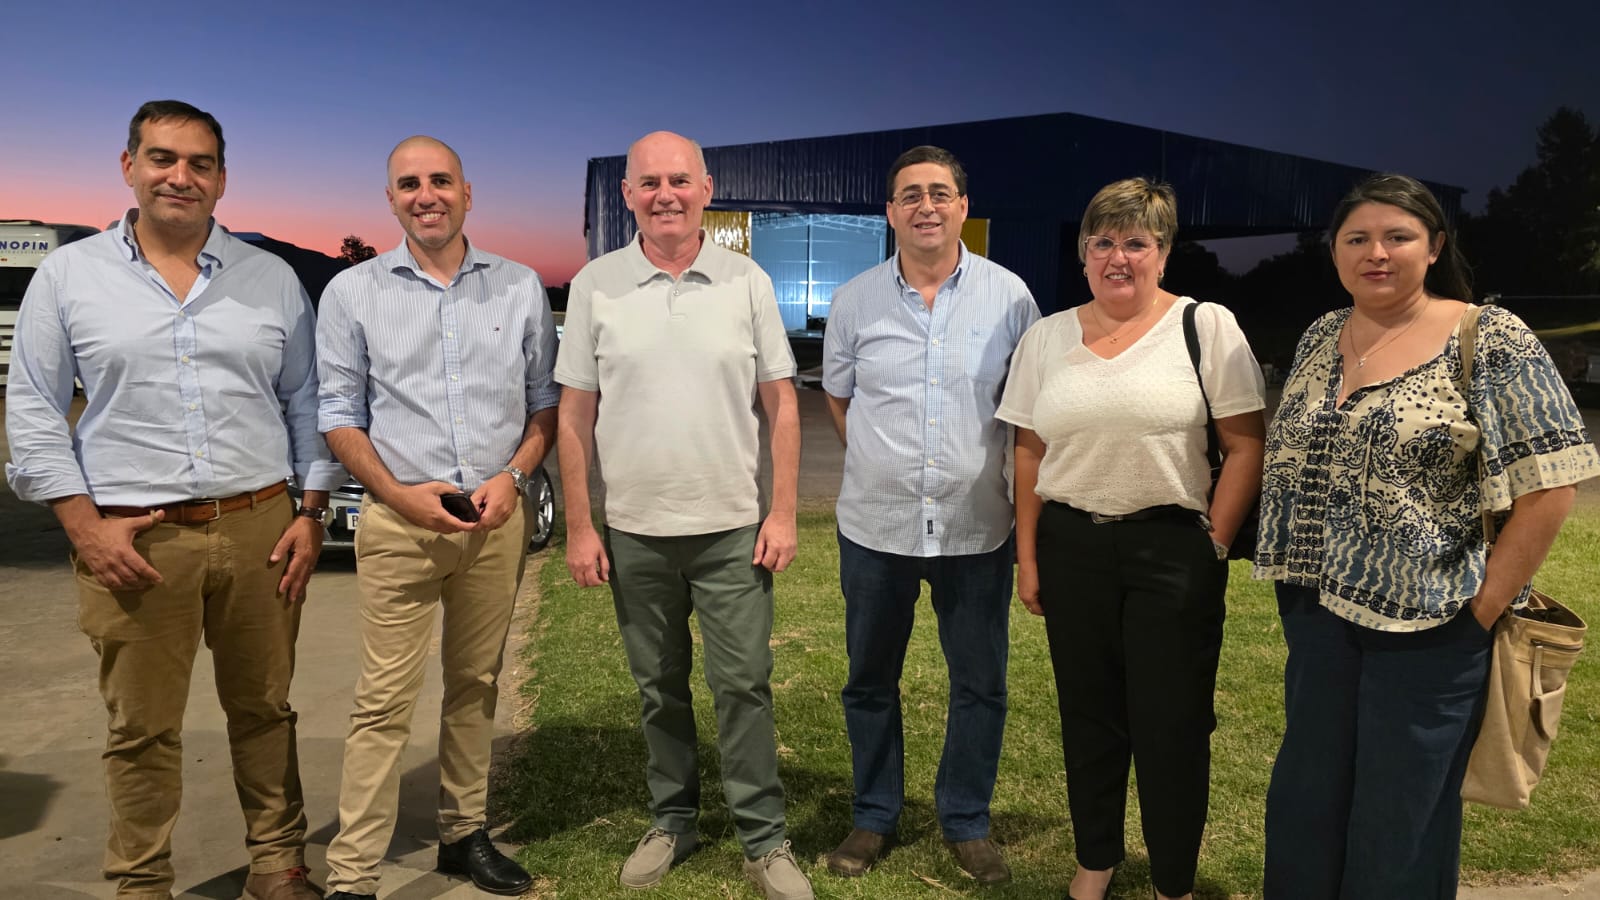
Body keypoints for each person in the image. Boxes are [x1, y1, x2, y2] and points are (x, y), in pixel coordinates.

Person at [4, 99, 342, 900]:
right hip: (134, 540)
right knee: (141, 726)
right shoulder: (70, 276)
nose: (179, 177)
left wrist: (310, 513)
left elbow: (307, 400)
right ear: (130, 166)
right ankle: (142, 881)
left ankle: (277, 864)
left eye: (199, 163)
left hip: (261, 526)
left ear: (222, 180)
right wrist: (84, 528)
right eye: (162, 158)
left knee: (264, 709)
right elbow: (34, 411)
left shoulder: (269, 279)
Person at [1256, 173, 1600, 899]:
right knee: (1305, 804)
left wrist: (1482, 610)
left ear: (1435, 246)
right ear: (1334, 250)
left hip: (1431, 624)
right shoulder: (1322, 335)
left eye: (1398, 236)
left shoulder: (1488, 336)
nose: (1376, 253)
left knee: (1400, 823)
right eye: (1357, 238)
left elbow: (1552, 483)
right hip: (1317, 616)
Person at [554, 130, 809, 900]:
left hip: (731, 530)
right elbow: (574, 415)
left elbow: (781, 404)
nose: (665, 194)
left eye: (679, 180)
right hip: (636, 532)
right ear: (628, 195)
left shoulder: (746, 281)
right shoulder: (596, 284)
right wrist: (581, 526)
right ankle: (673, 820)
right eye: (649, 182)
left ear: (706, 188)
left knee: (744, 686)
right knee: (658, 687)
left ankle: (763, 838)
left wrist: (783, 512)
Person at [996, 177, 1265, 900]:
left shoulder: (1205, 326)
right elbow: (1028, 452)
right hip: (1072, 545)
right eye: (1103, 242)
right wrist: (1028, 556)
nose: (1119, 257)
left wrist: (1215, 540)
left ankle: (1173, 877)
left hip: (1171, 548)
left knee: (1172, 721)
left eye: (1136, 243)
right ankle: (1096, 858)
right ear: (1084, 254)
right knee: (1089, 715)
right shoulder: (1047, 337)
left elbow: (1245, 444)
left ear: (1163, 253)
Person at [316, 135, 559, 900]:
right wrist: (395, 494)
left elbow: (544, 405)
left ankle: (462, 834)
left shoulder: (518, 287)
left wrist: (514, 477)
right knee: (384, 699)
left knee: (475, 683)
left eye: (441, 181)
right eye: (410, 183)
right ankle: (353, 873)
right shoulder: (352, 293)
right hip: (401, 523)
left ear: (467, 193)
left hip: (492, 521)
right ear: (391, 199)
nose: (427, 195)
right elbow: (338, 414)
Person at [820, 145, 1040, 884]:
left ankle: (966, 820)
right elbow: (840, 398)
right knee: (869, 680)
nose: (926, 206)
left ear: (962, 208)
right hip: (876, 529)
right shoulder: (856, 300)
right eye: (910, 194)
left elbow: (1025, 410)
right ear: (890, 212)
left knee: (980, 684)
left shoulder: (1010, 297)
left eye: (940, 193)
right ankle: (873, 814)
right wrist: (882, 461)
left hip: (977, 529)